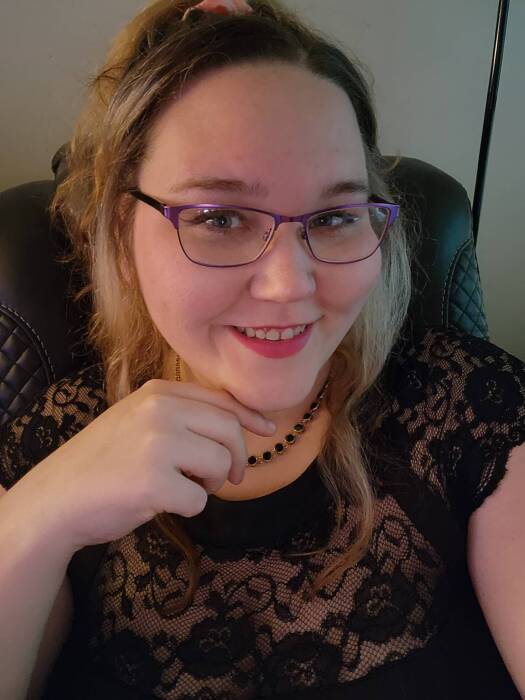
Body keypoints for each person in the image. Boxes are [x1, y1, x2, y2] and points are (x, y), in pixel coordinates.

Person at [0, 0, 524, 698]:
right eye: (219, 218)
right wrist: (34, 521)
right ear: (122, 232)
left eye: (333, 216)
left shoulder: (472, 408)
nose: (289, 285)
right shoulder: (54, 442)